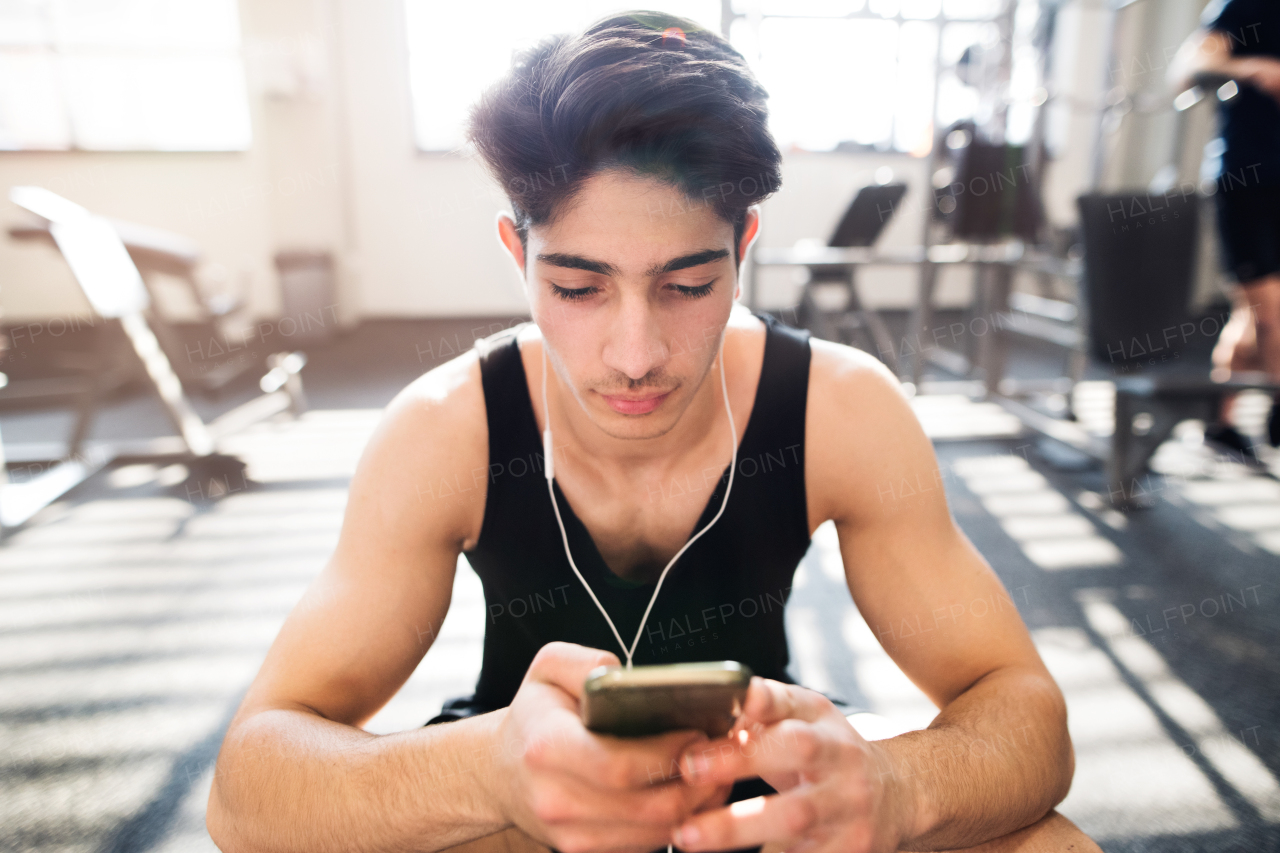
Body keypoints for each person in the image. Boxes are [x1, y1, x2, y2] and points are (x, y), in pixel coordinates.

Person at [206, 13, 1100, 853]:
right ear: (519, 257)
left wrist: (897, 784)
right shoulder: (445, 430)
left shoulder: (840, 407)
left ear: (742, 249)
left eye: (686, 284)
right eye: (578, 288)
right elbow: (245, 789)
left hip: (754, 799)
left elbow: (1023, 711)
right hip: (527, 799)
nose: (635, 355)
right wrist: (488, 767)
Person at [1172, 0, 1280, 456]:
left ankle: (1219, 422)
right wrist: (1251, 66)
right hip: (1248, 181)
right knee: (1271, 311)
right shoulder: (1244, 6)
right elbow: (1188, 66)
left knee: (1253, 315)